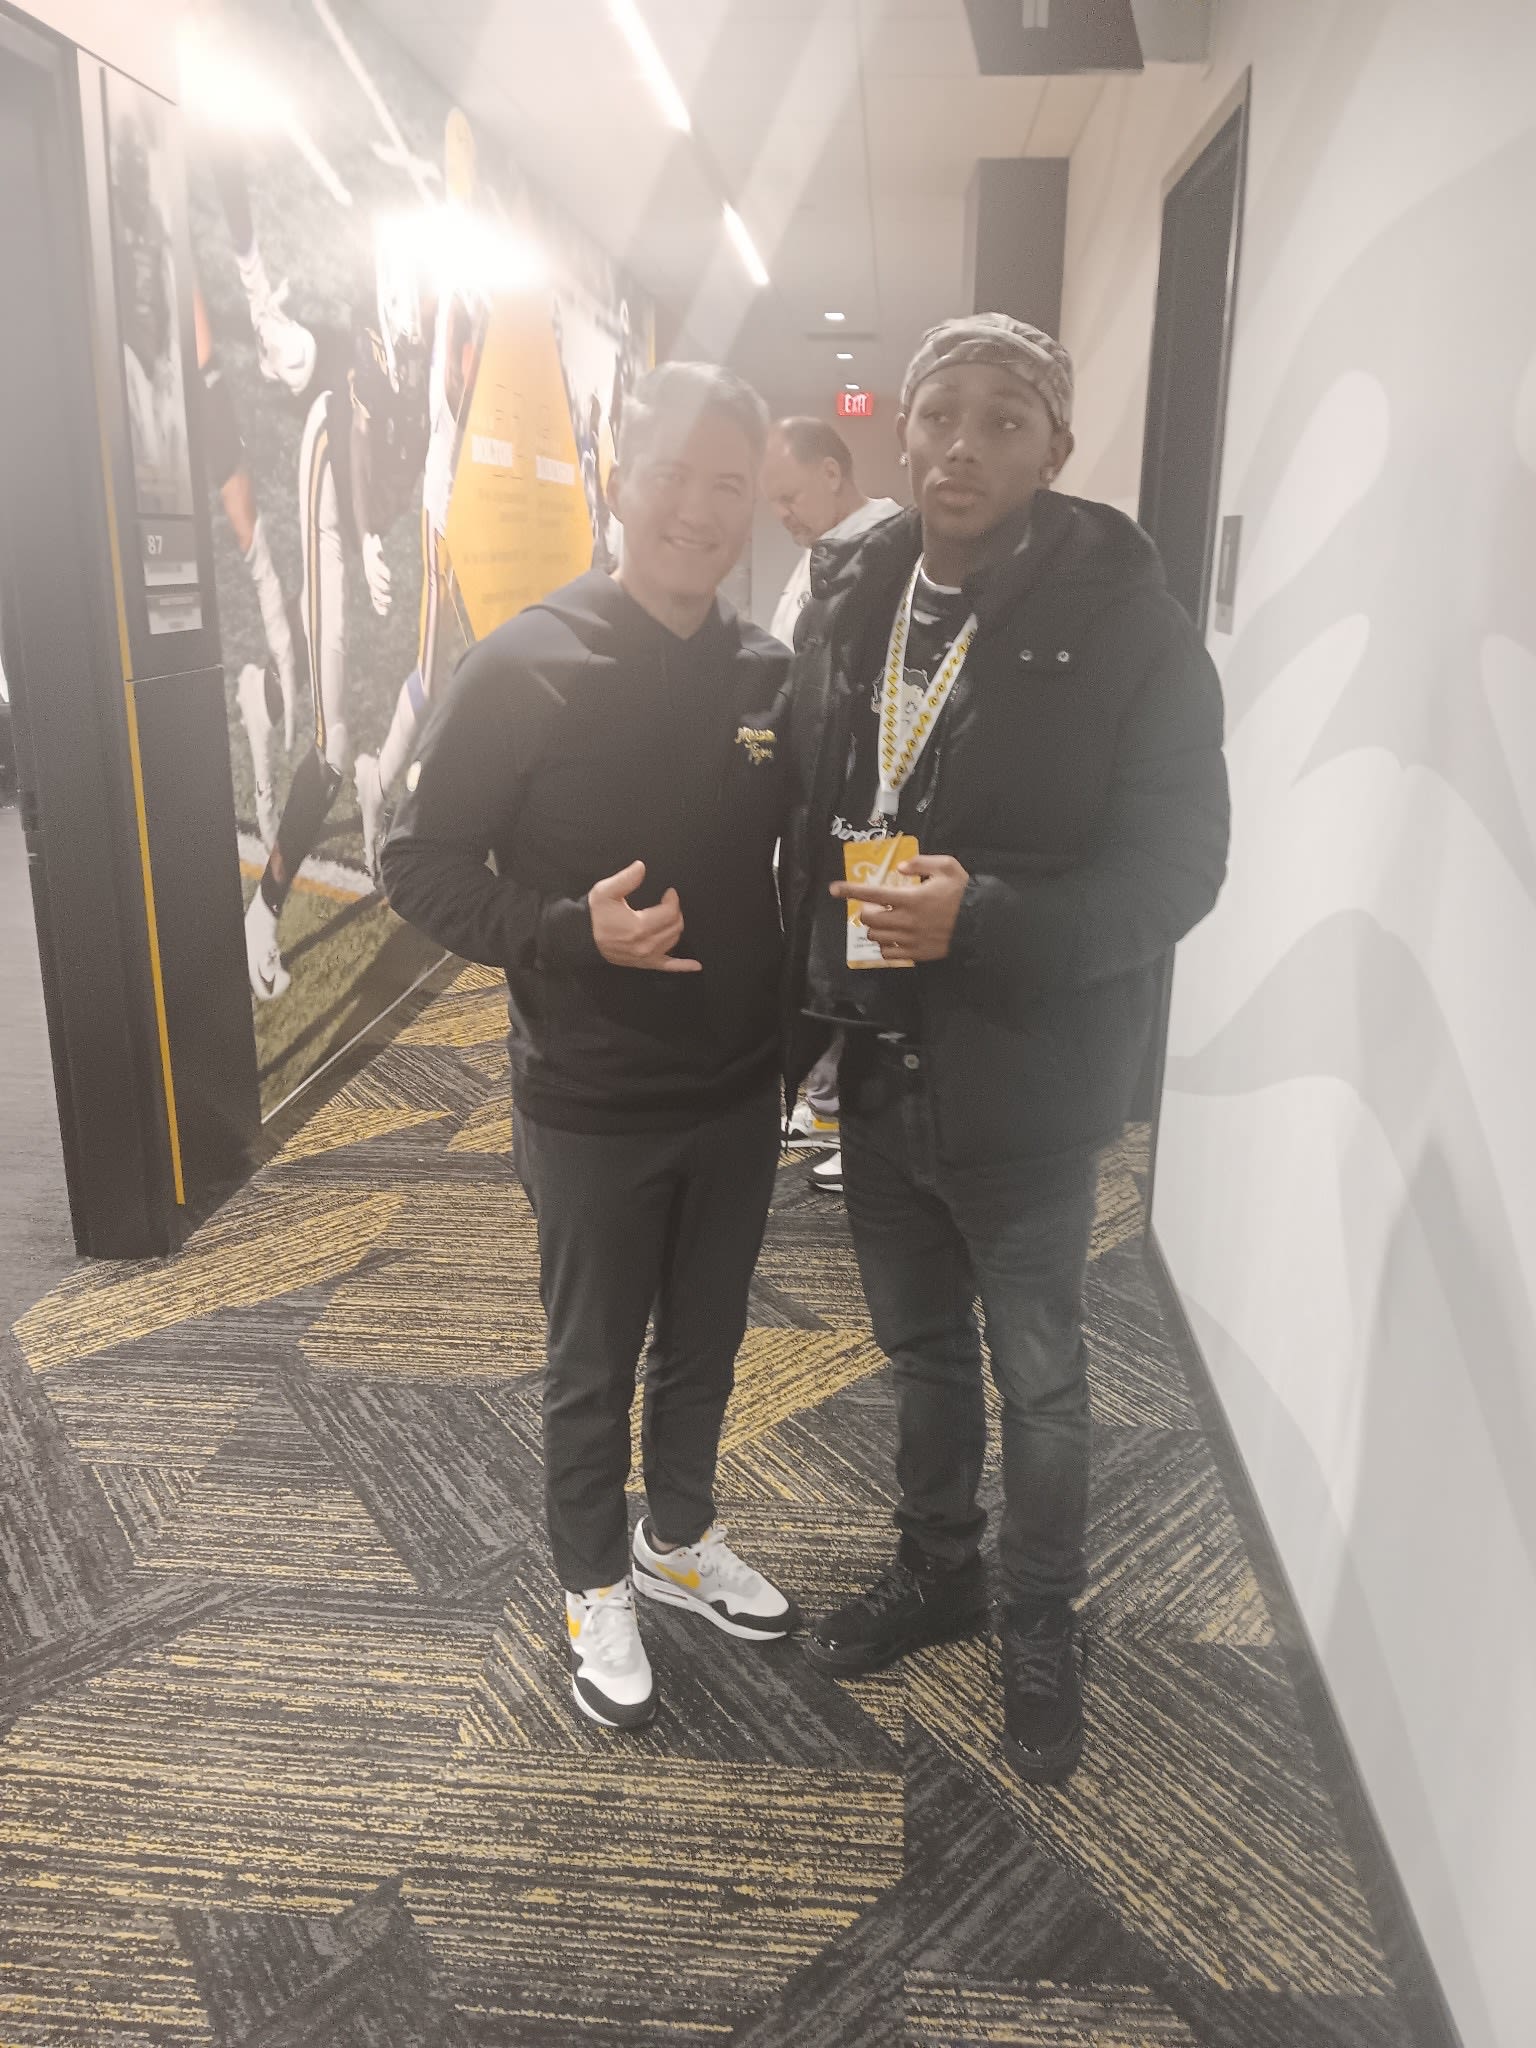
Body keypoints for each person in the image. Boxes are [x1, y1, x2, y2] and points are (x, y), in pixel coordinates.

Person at [781, 313, 1229, 1783]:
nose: (962, 445)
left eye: (1002, 421)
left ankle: (1041, 1618)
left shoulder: (1130, 626)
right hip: (876, 1053)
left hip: (1029, 1076)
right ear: (899, 436)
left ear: (1057, 449)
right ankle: (939, 1570)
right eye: (938, 416)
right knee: (918, 1357)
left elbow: (1177, 875)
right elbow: (809, 805)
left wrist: (987, 918)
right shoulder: (850, 592)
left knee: (1038, 1375)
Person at [382, 361, 799, 1732]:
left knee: (711, 1345)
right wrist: (567, 930)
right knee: (593, 1363)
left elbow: (793, 862)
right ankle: (590, 1581)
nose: (694, 507)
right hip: (591, 1097)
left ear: (752, 504)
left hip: (737, 1094)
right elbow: (419, 865)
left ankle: (675, 1542)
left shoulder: (769, 677)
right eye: (671, 473)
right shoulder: (526, 663)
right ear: (621, 476)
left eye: (725, 484)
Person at [242, 227, 431, 999]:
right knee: (330, 745)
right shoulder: (370, 366)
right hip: (336, 492)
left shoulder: (427, 350)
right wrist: (370, 539)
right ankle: (261, 913)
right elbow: (356, 444)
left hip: (375, 498)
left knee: (434, 665)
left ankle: (276, 703)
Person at [762, 417, 902, 1186]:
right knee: (819, 954)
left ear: (830, 470)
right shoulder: (823, 558)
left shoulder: (894, 559)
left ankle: (861, 1125)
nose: (780, 513)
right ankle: (823, 1096)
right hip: (815, 804)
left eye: (788, 494)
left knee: (864, 963)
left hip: (870, 812)